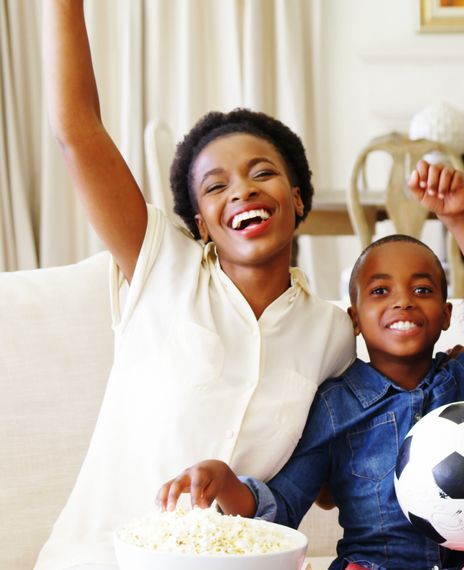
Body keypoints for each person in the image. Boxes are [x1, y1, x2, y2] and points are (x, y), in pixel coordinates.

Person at [37, 2, 355, 568]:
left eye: (263, 173)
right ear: (201, 223)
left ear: (298, 197)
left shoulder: (331, 329)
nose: (243, 191)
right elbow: (78, 133)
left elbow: (327, 478)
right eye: (216, 186)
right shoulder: (161, 264)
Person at [157, 161, 464, 570]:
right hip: (373, 566)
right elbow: (281, 510)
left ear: (445, 315)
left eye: (422, 289)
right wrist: (224, 479)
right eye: (380, 291)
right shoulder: (335, 405)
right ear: (354, 319)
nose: (402, 301)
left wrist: (458, 218)